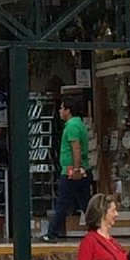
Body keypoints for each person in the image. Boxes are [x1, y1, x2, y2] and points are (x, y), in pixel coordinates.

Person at [42, 97, 91, 242]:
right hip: (79, 170)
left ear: (68, 111)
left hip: (71, 171)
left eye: (62, 108)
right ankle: (97, 230)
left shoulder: (72, 127)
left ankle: (52, 233)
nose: (60, 111)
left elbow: (75, 147)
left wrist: (75, 169)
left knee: (63, 202)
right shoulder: (79, 124)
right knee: (85, 203)